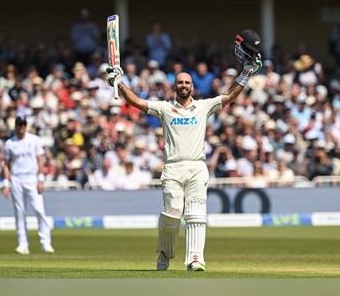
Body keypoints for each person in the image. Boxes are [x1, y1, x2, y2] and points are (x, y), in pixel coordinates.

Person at [106, 29, 262, 271]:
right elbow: (136, 101)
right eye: (180, 82)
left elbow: (229, 96)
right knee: (172, 214)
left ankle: (195, 259)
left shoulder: (202, 107)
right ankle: (165, 254)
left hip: (197, 166)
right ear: (174, 86)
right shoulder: (165, 108)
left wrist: (246, 73)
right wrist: (118, 82)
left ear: (192, 87)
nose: (184, 86)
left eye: (187, 83)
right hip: (173, 167)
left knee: (196, 213)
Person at [2, 116, 54, 255]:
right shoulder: (10, 143)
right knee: (20, 212)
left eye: (23, 125)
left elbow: (40, 160)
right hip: (16, 178)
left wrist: (41, 178)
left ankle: (46, 243)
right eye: (19, 125)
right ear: (15, 126)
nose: (21, 127)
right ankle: (23, 244)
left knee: (39, 209)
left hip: (32, 178)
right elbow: (6, 164)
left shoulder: (34, 140)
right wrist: (6, 183)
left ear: (26, 126)